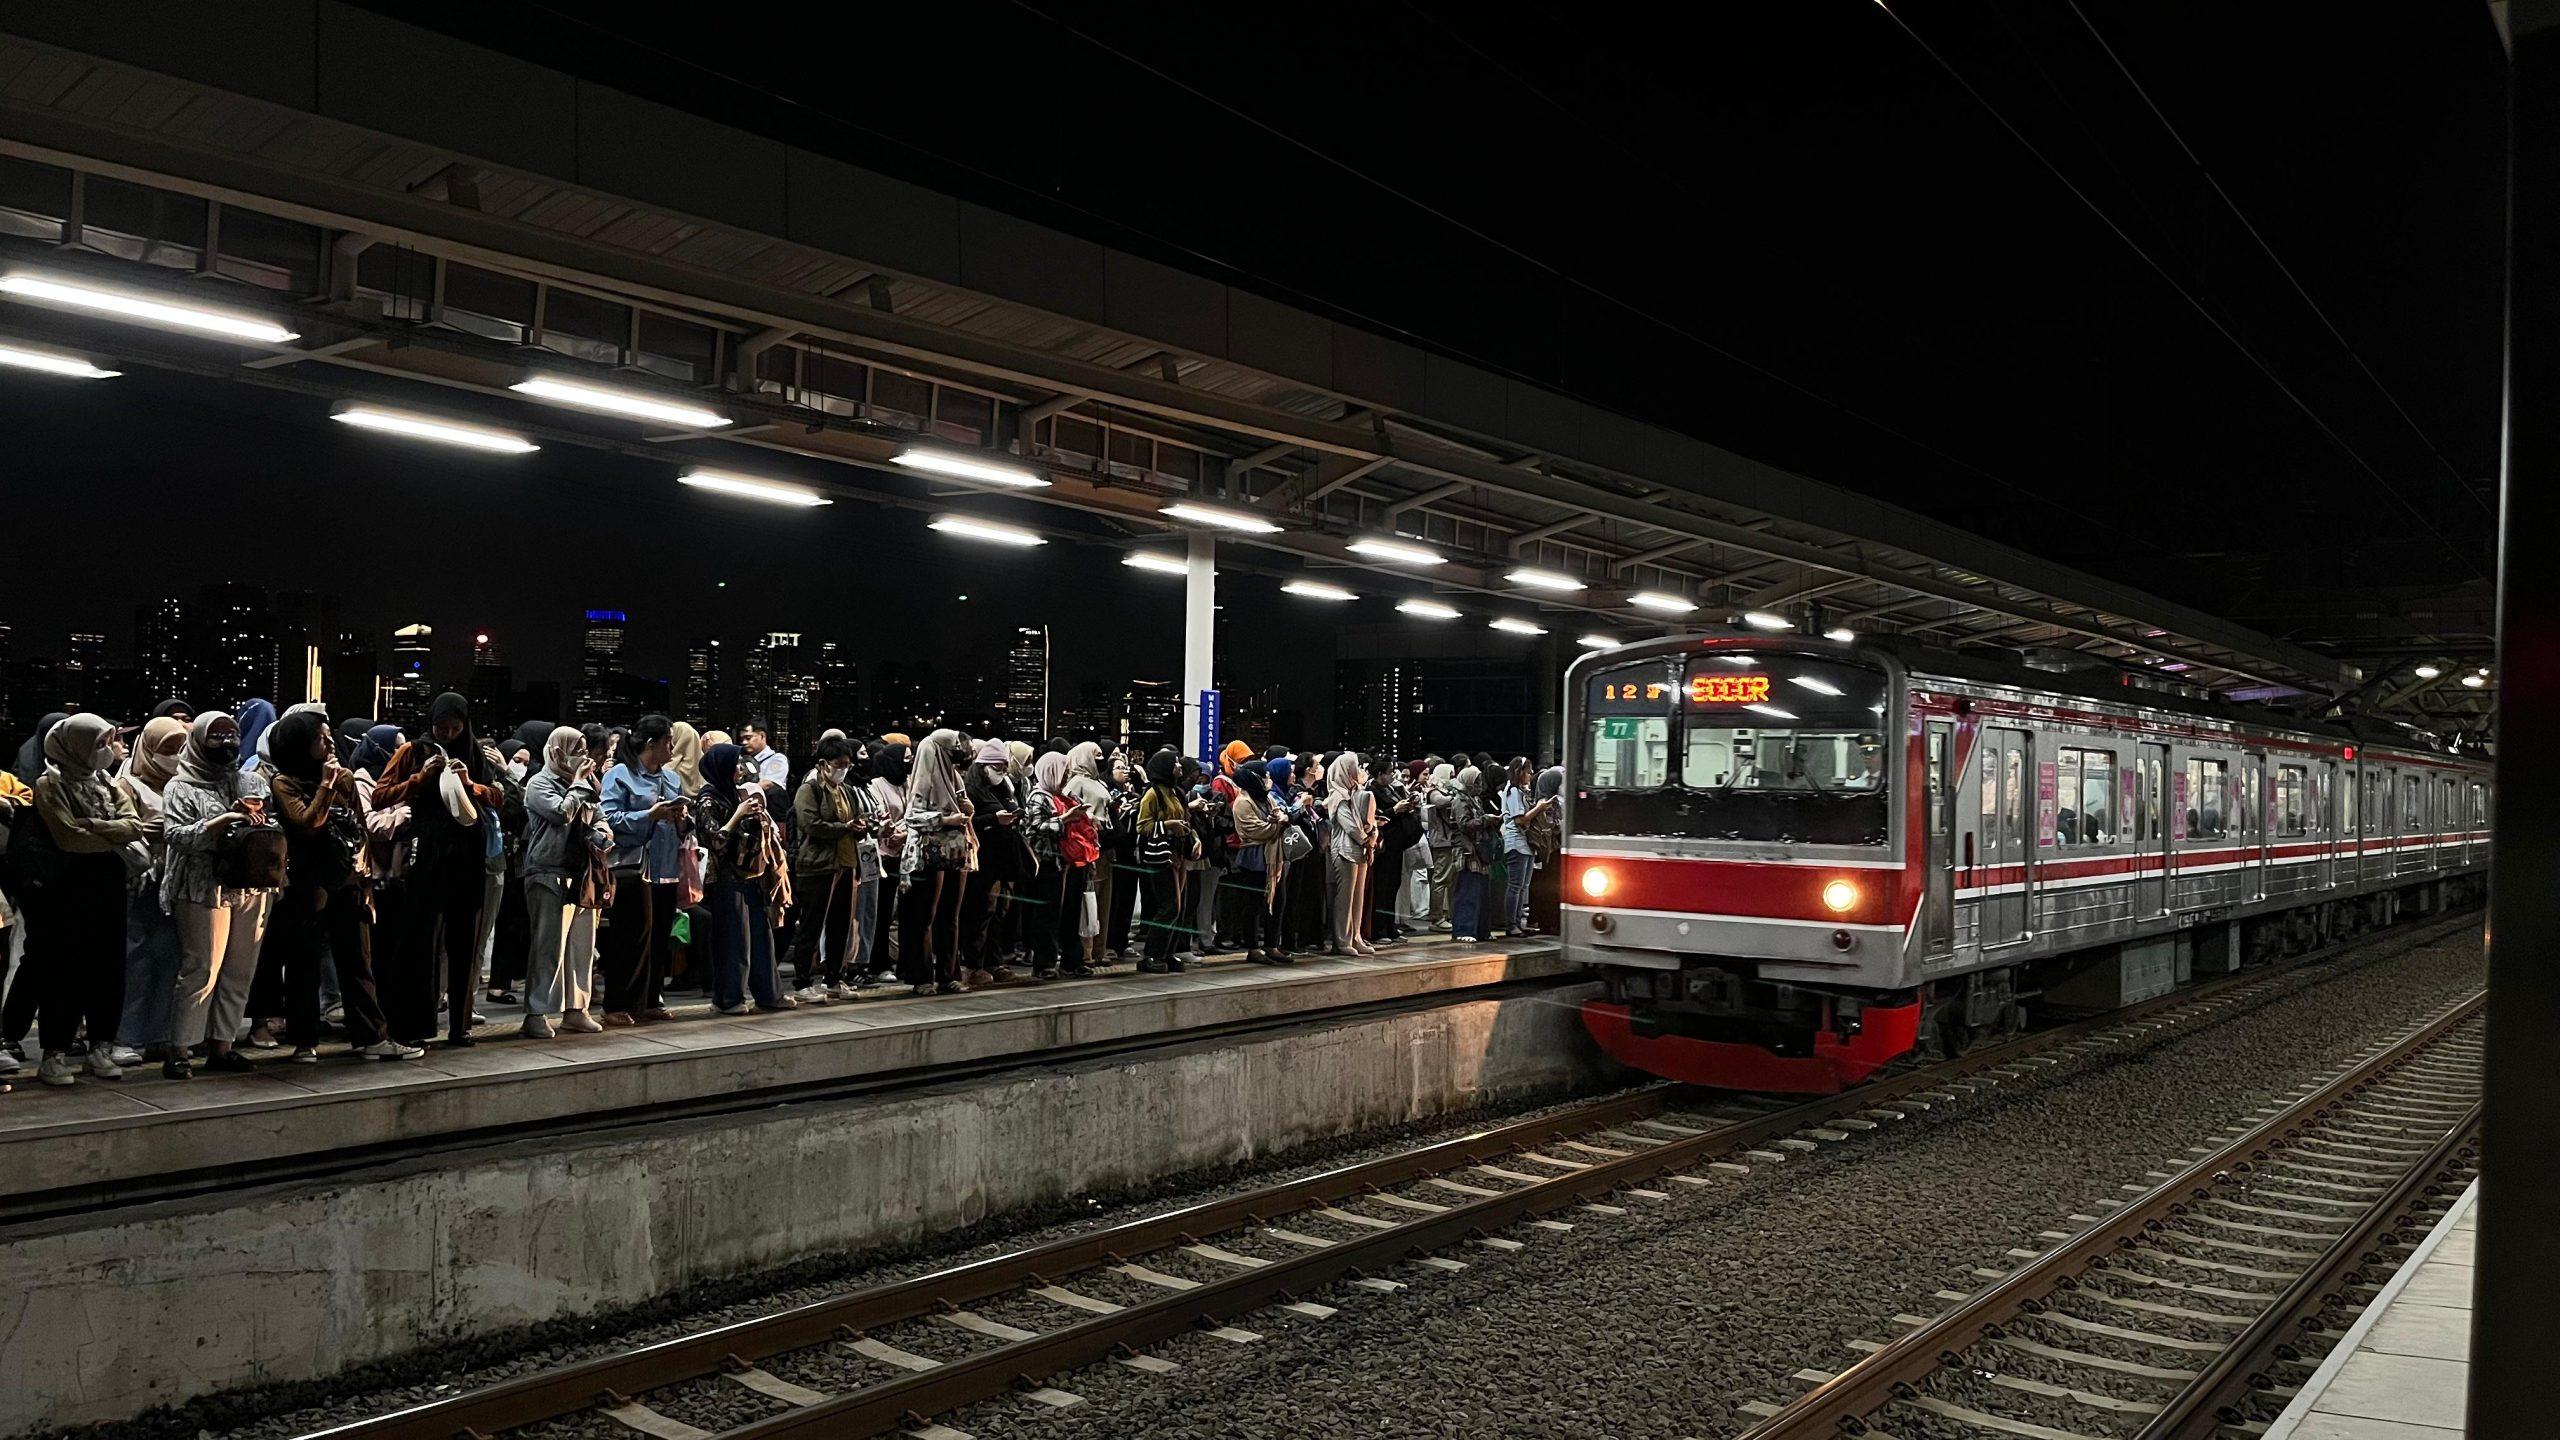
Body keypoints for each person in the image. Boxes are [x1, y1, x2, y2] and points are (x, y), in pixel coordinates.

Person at [365, 693, 505, 1048]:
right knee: (420, 942)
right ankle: (413, 1027)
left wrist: (472, 784)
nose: (446, 734)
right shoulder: (413, 750)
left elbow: (501, 798)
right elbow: (380, 796)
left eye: (454, 728)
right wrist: (419, 779)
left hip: (468, 856)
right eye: (441, 727)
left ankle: (460, 1027)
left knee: (464, 943)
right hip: (426, 855)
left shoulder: (472, 752)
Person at [24, 714, 151, 1085]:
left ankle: (101, 1046)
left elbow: (134, 825)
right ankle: (55, 1053)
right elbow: (67, 837)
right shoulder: (49, 785)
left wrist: (94, 826)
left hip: (108, 884)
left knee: (108, 968)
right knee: (65, 970)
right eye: (97, 744)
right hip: (67, 888)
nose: (104, 752)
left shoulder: (104, 781)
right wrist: (112, 834)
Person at [262, 709, 394, 1063]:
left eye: (330, 734)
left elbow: (360, 831)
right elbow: (307, 824)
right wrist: (325, 784)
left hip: (347, 879)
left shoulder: (346, 778)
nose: (331, 742)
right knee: (303, 963)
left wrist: (366, 884)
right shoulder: (284, 782)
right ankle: (304, 1042)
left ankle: (371, 1038)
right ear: (301, 744)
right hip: (307, 881)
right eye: (321, 738)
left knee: (357, 960)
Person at [161, 711, 277, 1077]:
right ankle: (180, 1048)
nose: (227, 743)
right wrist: (220, 822)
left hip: (251, 884)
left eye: (232, 735)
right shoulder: (180, 786)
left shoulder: (250, 781)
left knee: (241, 969)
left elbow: (270, 827)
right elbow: (176, 835)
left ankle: (222, 1045)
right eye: (217, 737)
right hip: (202, 886)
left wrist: (253, 816)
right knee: (202, 970)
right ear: (197, 741)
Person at [520, 725, 611, 1038]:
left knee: (581, 947)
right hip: (547, 872)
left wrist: (603, 834)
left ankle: (577, 1009)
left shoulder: (584, 785)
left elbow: (598, 817)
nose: (583, 757)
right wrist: (578, 784)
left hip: (582, 874)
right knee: (548, 948)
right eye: (577, 750)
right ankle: (536, 1013)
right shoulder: (539, 783)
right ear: (558, 751)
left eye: (585, 750)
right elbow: (561, 813)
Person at [598, 713, 687, 1026]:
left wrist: (681, 819)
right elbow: (608, 820)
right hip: (631, 867)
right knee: (630, 937)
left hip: (665, 866)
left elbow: (683, 824)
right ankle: (617, 1003)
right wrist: (648, 816)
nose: (673, 748)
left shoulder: (672, 778)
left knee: (660, 936)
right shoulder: (620, 774)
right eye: (668, 742)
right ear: (652, 743)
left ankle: (650, 999)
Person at [696, 741, 794, 1015]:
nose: (740, 769)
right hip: (726, 879)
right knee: (734, 940)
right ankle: (728, 999)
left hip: (750, 874)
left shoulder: (734, 794)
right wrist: (738, 815)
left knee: (761, 936)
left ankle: (769, 995)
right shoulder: (708, 799)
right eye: (735, 764)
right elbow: (716, 841)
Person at [111, 715, 188, 1066]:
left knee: (169, 958)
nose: (175, 755)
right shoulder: (127, 785)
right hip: (140, 881)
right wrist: (150, 831)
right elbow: (121, 828)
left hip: (174, 881)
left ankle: (159, 1033)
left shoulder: (184, 783)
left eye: (180, 748)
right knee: (136, 960)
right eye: (168, 749)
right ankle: (126, 1036)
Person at [785, 734, 870, 1001]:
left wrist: (858, 827)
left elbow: (851, 821)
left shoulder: (846, 790)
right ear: (823, 763)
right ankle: (801, 983)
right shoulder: (809, 789)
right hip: (818, 865)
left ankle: (834, 979)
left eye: (847, 764)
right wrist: (845, 828)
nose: (843, 769)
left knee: (839, 926)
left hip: (846, 863)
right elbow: (810, 825)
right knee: (811, 924)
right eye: (839, 763)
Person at [897, 729, 975, 994]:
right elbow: (912, 818)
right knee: (924, 917)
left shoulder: (953, 776)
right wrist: (944, 820)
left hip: (953, 855)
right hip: (925, 856)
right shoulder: (924, 777)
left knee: (950, 916)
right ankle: (922, 977)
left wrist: (966, 810)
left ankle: (948, 974)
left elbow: (963, 805)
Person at [960, 738, 1025, 985]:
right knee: (978, 913)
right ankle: (973, 964)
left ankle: (993, 960)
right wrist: (992, 819)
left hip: (1000, 859)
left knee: (997, 913)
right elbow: (969, 822)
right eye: (997, 767)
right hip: (981, 861)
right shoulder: (971, 789)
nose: (1001, 773)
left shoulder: (1002, 787)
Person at [1132, 749, 1196, 972]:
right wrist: (1167, 826)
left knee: (1179, 907)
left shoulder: (1176, 792)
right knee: (1169, 906)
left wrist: (1194, 839)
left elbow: (1186, 820)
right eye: (1175, 764)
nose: (1179, 768)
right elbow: (1142, 827)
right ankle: (1152, 954)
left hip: (1178, 856)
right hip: (1160, 857)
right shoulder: (1152, 794)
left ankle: (1167, 953)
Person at [1228, 758, 1294, 965]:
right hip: (1254, 858)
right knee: (1254, 904)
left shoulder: (1266, 798)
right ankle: (1253, 948)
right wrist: (1279, 825)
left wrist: (1280, 820)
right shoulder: (1243, 802)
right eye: (1264, 775)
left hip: (1274, 857)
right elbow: (1256, 831)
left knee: (1278, 900)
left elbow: (1279, 815)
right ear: (1254, 778)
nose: (1268, 779)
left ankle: (1272, 945)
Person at [1062, 742, 1117, 969]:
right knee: (1087, 900)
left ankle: (1098, 949)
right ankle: (1085, 952)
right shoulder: (1075, 783)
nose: (1101, 759)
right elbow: (1072, 812)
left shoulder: (1098, 782)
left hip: (1103, 846)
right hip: (1085, 848)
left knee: (1102, 901)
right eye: (1096, 755)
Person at [1019, 750, 1072, 979]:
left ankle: (1048, 960)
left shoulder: (1056, 796)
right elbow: (1034, 828)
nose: (1067, 776)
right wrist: (1064, 820)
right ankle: (1043, 963)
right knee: (1044, 914)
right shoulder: (1039, 796)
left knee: (1052, 913)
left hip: (1057, 861)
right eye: (1063, 772)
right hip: (1043, 862)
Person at [863, 740, 911, 986]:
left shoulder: (908, 783)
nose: (909, 763)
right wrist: (898, 831)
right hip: (883, 856)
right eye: (905, 758)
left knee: (904, 913)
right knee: (881, 913)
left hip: (907, 855)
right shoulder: (876, 786)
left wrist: (906, 831)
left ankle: (904, 961)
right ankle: (878, 963)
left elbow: (915, 810)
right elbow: (879, 814)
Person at [1324, 750, 1378, 956]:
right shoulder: (1337, 796)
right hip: (1345, 849)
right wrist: (1367, 838)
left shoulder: (1356, 792)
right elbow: (1350, 826)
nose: (1359, 770)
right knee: (1344, 898)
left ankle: (1356, 936)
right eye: (1355, 766)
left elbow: (1368, 820)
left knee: (1358, 896)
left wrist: (1372, 835)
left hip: (1361, 849)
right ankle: (1342, 940)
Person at [1498, 757, 1555, 937]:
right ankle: (1511, 925)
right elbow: (1520, 819)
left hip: (1525, 844)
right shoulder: (1513, 791)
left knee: (1523, 886)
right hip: (1516, 842)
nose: (1531, 775)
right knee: (1515, 885)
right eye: (1528, 771)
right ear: (1520, 772)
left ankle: (1516, 922)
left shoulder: (1520, 791)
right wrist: (1539, 808)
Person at [1448, 765, 1495, 943]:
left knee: (1482, 893)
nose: (1479, 785)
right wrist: (1485, 820)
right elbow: (1463, 824)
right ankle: (1463, 929)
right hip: (1467, 851)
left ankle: (1481, 930)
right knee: (1468, 891)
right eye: (1476, 781)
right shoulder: (1460, 800)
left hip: (1479, 850)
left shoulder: (1474, 799)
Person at [1422, 762, 1460, 931]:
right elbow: (1440, 802)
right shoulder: (1434, 791)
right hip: (1442, 840)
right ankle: (1436, 917)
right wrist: (1458, 796)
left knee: (1452, 880)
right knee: (1441, 878)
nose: (1453, 779)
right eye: (1450, 775)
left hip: (1451, 840)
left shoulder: (1448, 791)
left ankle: (1452, 914)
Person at [740, 724, 789, 791]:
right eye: (742, 739)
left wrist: (742, 792)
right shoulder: (742, 759)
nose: (744, 742)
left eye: (748, 738)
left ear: (762, 736)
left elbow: (768, 784)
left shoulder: (777, 759)